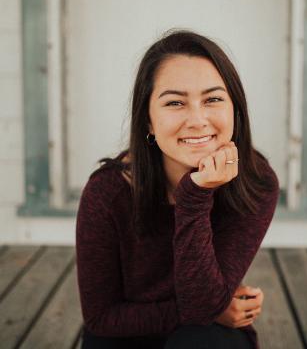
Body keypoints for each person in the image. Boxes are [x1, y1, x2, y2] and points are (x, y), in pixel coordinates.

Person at [76, 28, 280, 349]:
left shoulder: (256, 182)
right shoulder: (107, 193)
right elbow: (101, 318)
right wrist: (216, 309)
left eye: (213, 99)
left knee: (199, 339)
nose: (198, 120)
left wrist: (194, 197)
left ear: (235, 110)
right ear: (148, 121)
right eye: (175, 103)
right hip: (124, 334)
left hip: (206, 335)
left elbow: (202, 311)